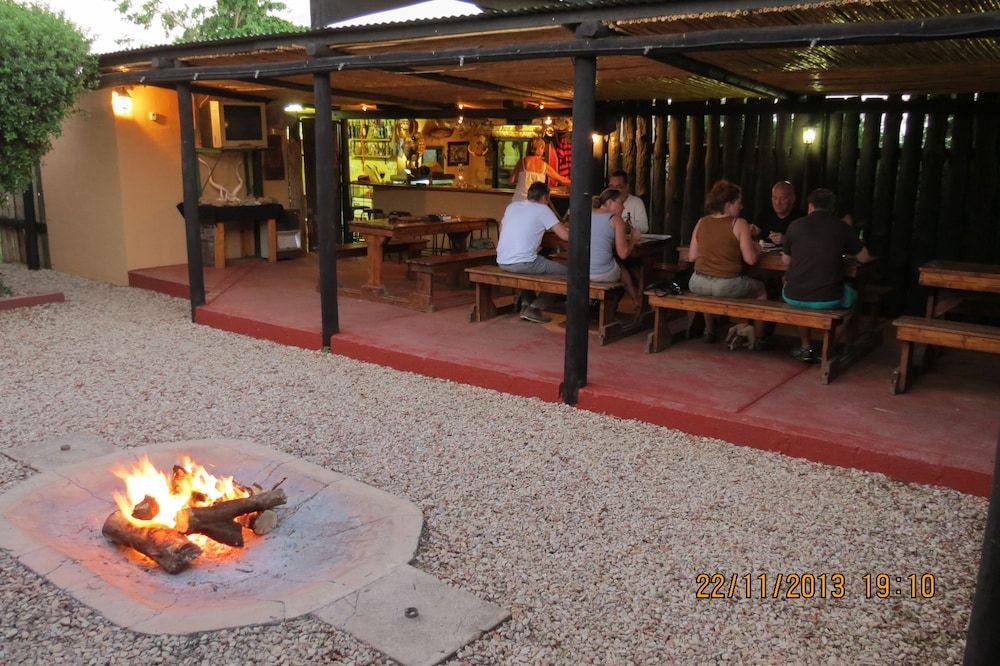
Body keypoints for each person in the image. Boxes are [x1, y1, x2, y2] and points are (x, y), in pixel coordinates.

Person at [781, 188, 873, 362]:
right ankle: (827, 347)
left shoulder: (795, 225)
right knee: (853, 300)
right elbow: (865, 257)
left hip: (793, 294)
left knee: (797, 298)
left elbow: (786, 261)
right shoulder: (841, 227)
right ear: (832, 208)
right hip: (828, 297)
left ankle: (805, 347)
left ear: (810, 206)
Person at [688, 180, 768, 345]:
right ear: (728, 204)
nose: (741, 206)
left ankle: (709, 331)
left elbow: (691, 256)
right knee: (760, 290)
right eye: (739, 202)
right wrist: (757, 248)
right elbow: (750, 259)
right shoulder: (739, 223)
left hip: (697, 282)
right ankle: (760, 338)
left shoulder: (701, 222)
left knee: (707, 293)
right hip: (725, 284)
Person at [497, 181, 570, 323]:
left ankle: (525, 305)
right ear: (545, 198)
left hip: (502, 260)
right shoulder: (543, 209)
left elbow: (501, 229)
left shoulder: (512, 206)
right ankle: (535, 308)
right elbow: (565, 236)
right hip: (524, 262)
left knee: (529, 271)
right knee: (568, 273)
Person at [590, 188, 639, 304]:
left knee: (618, 265)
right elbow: (623, 254)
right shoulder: (616, 220)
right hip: (602, 273)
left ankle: (602, 306)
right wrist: (633, 239)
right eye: (621, 202)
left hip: (583, 271)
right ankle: (636, 301)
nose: (623, 207)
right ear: (610, 202)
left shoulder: (588, 214)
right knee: (623, 269)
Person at [751, 181, 803, 245]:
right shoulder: (765, 213)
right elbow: (755, 230)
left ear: (793, 199)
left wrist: (785, 240)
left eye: (783, 199)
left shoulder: (801, 219)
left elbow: (805, 243)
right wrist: (750, 231)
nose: (777, 203)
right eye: (775, 198)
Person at [607, 170, 649, 234]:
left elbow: (644, 227)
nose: (614, 190)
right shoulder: (605, 203)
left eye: (618, 187)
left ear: (627, 187)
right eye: (611, 186)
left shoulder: (637, 202)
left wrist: (629, 227)